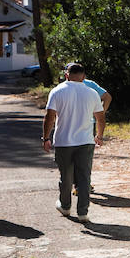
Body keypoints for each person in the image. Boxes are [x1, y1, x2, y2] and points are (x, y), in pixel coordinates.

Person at [43, 62, 104, 222]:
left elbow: (50, 116)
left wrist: (46, 137)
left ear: (66, 75)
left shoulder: (57, 91)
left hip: (64, 142)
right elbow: (100, 117)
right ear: (83, 77)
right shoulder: (92, 93)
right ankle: (83, 212)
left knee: (66, 176)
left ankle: (65, 206)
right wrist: (99, 135)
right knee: (84, 177)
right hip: (85, 141)